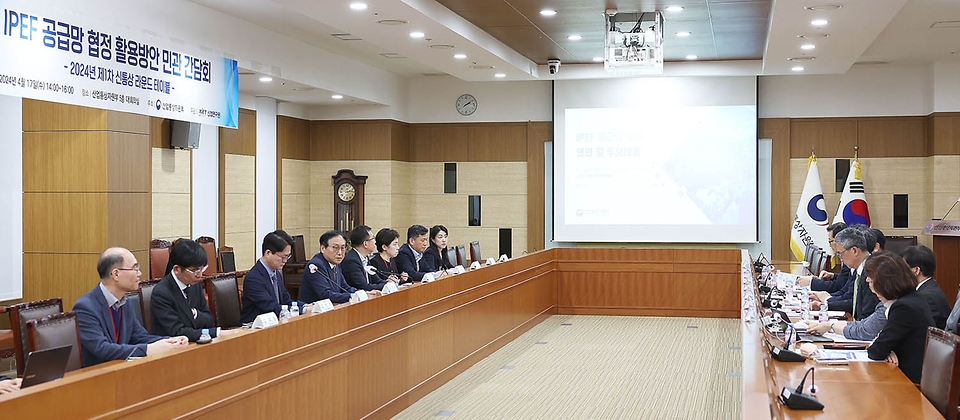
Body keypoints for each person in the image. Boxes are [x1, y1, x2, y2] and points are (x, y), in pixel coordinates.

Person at [73, 248, 187, 367]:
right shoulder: (85, 307)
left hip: (121, 369)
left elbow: (139, 336)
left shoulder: (125, 302)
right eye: (134, 268)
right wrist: (148, 349)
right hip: (97, 374)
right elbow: (102, 349)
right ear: (116, 274)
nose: (139, 273)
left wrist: (171, 341)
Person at [864, 252, 936, 384]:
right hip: (905, 374)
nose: (872, 290)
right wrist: (887, 349)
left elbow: (876, 351)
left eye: (872, 282)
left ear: (885, 283)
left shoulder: (904, 308)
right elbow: (881, 345)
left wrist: (884, 349)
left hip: (911, 381)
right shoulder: (913, 298)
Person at [150, 239, 220, 341]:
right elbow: (177, 332)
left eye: (202, 269)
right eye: (195, 270)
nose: (200, 275)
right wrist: (214, 332)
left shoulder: (194, 285)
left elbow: (209, 320)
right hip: (172, 349)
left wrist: (195, 313)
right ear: (177, 269)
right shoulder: (161, 293)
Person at [240, 230, 311, 324]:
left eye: (287, 257)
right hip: (254, 327)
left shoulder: (276, 273)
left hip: (275, 322)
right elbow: (271, 307)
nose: (285, 261)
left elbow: (286, 301)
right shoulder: (253, 278)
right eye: (283, 257)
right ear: (268, 253)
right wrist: (303, 310)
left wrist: (307, 306)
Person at [811, 225, 879, 320]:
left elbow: (867, 315)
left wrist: (834, 327)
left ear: (854, 251)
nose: (840, 259)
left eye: (840, 254)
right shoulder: (859, 270)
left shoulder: (872, 272)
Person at [301, 231, 379, 303]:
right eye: (335, 248)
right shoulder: (316, 266)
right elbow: (325, 294)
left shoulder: (335, 263)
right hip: (314, 313)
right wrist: (353, 296)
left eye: (342, 248)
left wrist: (364, 293)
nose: (340, 253)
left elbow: (345, 288)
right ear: (322, 248)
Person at [900, 245, 951, 330]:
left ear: (916, 270)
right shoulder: (928, 288)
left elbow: (918, 330)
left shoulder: (927, 297)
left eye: (903, 267)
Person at [798, 222, 850, 292]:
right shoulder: (844, 254)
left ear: (839, 241)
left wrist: (811, 282)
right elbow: (844, 280)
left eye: (830, 241)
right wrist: (832, 276)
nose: (829, 245)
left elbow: (838, 286)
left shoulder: (849, 258)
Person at [342, 225, 388, 292]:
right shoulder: (351, 261)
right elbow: (363, 286)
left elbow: (376, 280)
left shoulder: (365, 258)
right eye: (373, 238)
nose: (375, 241)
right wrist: (386, 285)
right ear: (365, 244)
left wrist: (387, 282)